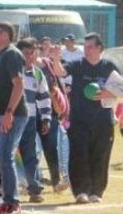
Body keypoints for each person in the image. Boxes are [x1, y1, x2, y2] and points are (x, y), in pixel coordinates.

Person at [50, 33, 118, 204]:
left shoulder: (109, 66)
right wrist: (56, 58)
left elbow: (121, 86)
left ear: (99, 48)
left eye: (90, 47)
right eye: (85, 46)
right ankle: (81, 191)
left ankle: (96, 191)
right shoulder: (78, 64)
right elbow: (60, 72)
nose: (86, 50)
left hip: (103, 120)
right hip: (79, 119)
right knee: (79, 154)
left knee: (100, 155)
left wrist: (108, 93)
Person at [0, 22, 27, 214]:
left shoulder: (12, 54)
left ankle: (12, 203)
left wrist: (9, 112)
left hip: (12, 115)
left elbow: (19, 84)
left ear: (4, 35)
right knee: (1, 157)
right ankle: (7, 200)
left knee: (5, 156)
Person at [17, 38, 51, 203]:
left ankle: (34, 189)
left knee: (31, 154)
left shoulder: (38, 74)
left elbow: (44, 98)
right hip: (10, 119)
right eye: (26, 53)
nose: (29, 56)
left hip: (29, 121)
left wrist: (45, 118)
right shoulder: (12, 71)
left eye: (32, 53)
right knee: (5, 154)